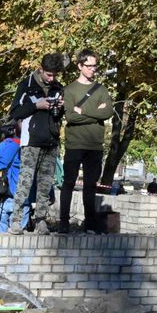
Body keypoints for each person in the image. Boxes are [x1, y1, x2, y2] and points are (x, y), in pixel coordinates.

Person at [8, 54, 65, 234]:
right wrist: (36, 106)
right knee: (25, 181)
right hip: (31, 141)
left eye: (55, 75)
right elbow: (15, 112)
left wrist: (61, 107)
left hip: (51, 140)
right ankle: (16, 220)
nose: (51, 78)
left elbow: (60, 114)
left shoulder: (57, 88)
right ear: (40, 70)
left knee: (45, 184)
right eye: (49, 74)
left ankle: (41, 220)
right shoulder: (27, 86)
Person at [59, 50, 114, 233]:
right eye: (89, 65)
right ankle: (63, 222)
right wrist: (94, 114)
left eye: (94, 65)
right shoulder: (69, 90)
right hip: (74, 143)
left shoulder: (102, 89)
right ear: (80, 66)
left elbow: (107, 113)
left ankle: (89, 223)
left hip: (95, 145)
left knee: (90, 185)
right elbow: (70, 117)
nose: (92, 69)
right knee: (68, 183)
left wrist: (82, 111)